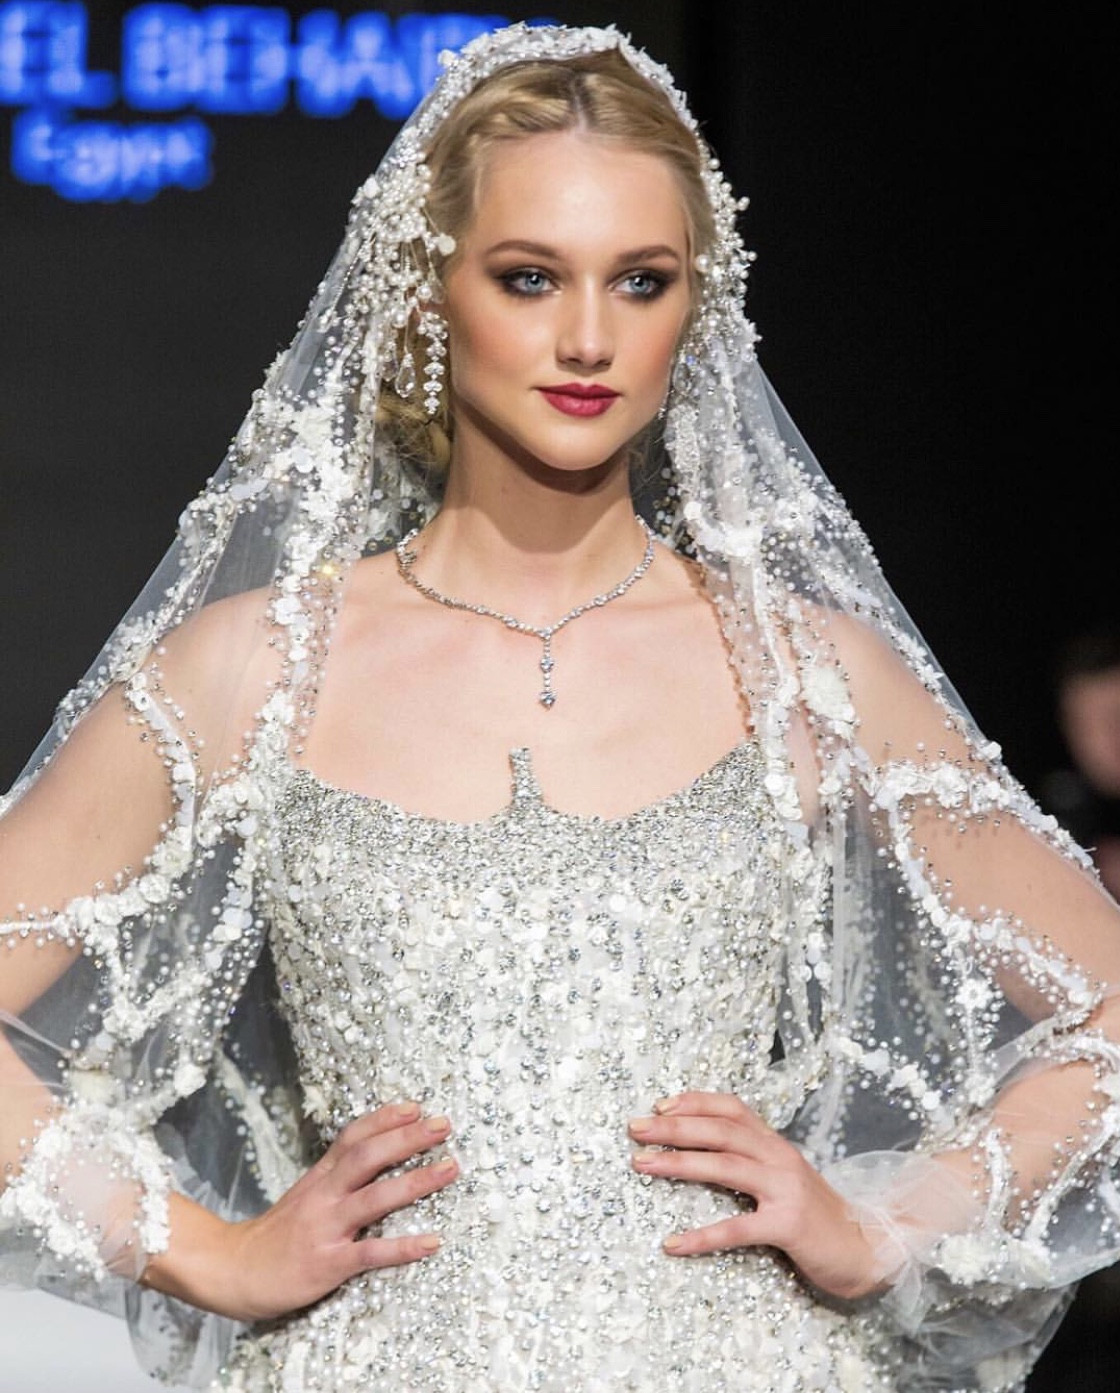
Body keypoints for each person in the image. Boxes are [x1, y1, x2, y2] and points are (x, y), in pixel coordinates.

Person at [2, 22, 1119, 1393]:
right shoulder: (256, 669)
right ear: (427, 294)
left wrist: (889, 1226)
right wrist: (207, 1253)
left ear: (695, 309)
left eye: (641, 282)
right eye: (529, 277)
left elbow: (1108, 1005)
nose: (589, 337)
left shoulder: (800, 669)